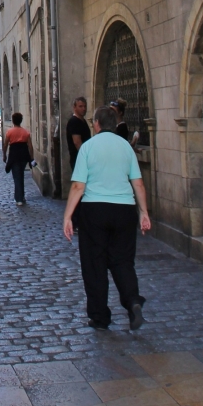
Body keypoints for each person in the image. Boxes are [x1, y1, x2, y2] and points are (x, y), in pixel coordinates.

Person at [63, 105, 151, 331]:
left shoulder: (88, 147)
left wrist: (68, 216)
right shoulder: (126, 147)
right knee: (123, 261)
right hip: (124, 210)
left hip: (94, 210)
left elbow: (78, 186)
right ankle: (132, 301)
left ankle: (100, 315)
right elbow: (138, 183)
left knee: (94, 264)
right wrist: (144, 212)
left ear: (96, 124)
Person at [3, 112, 35, 206]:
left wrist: (4, 155)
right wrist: (31, 157)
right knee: (21, 175)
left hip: (14, 154)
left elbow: (5, 145)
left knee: (16, 176)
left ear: (13, 121)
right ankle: (22, 196)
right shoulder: (25, 132)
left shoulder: (10, 132)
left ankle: (19, 198)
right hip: (24, 154)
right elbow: (30, 146)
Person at [66, 97, 91, 169]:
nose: (83, 109)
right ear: (75, 107)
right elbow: (77, 142)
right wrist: (85, 159)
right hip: (78, 160)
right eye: (80, 106)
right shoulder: (74, 121)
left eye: (85, 106)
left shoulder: (83, 121)